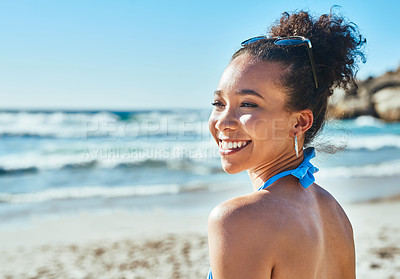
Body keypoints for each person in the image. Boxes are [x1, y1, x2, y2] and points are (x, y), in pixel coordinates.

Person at [207, 10, 366, 279]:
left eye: (248, 104)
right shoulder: (334, 213)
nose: (223, 122)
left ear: (300, 122)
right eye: (219, 103)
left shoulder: (236, 220)